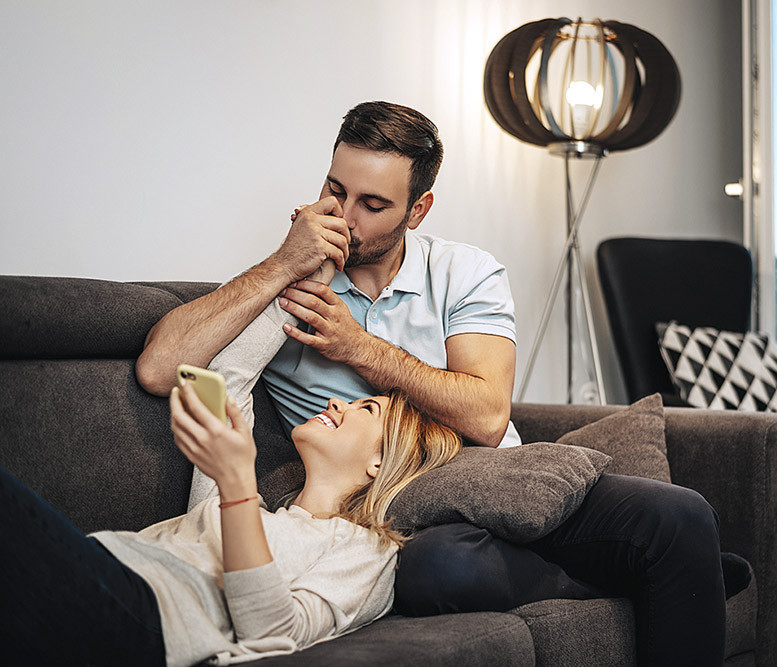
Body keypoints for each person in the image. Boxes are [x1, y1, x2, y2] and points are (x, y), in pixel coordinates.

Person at [136, 101, 728, 665]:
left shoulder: (462, 272)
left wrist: (360, 349)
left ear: (417, 211)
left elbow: (487, 417)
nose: (344, 217)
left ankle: (669, 568)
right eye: (335, 190)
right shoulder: (291, 288)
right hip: (402, 509)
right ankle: (605, 581)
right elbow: (159, 368)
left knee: (678, 516)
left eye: (373, 204)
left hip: (500, 482)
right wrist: (282, 265)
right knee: (438, 571)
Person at [0, 373, 462, 666]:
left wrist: (237, 486)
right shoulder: (248, 502)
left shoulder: (366, 548)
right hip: (100, 562)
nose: (337, 402)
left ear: (380, 462)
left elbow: (276, 634)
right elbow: (231, 375)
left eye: (367, 408)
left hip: (143, 617)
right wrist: (298, 271)